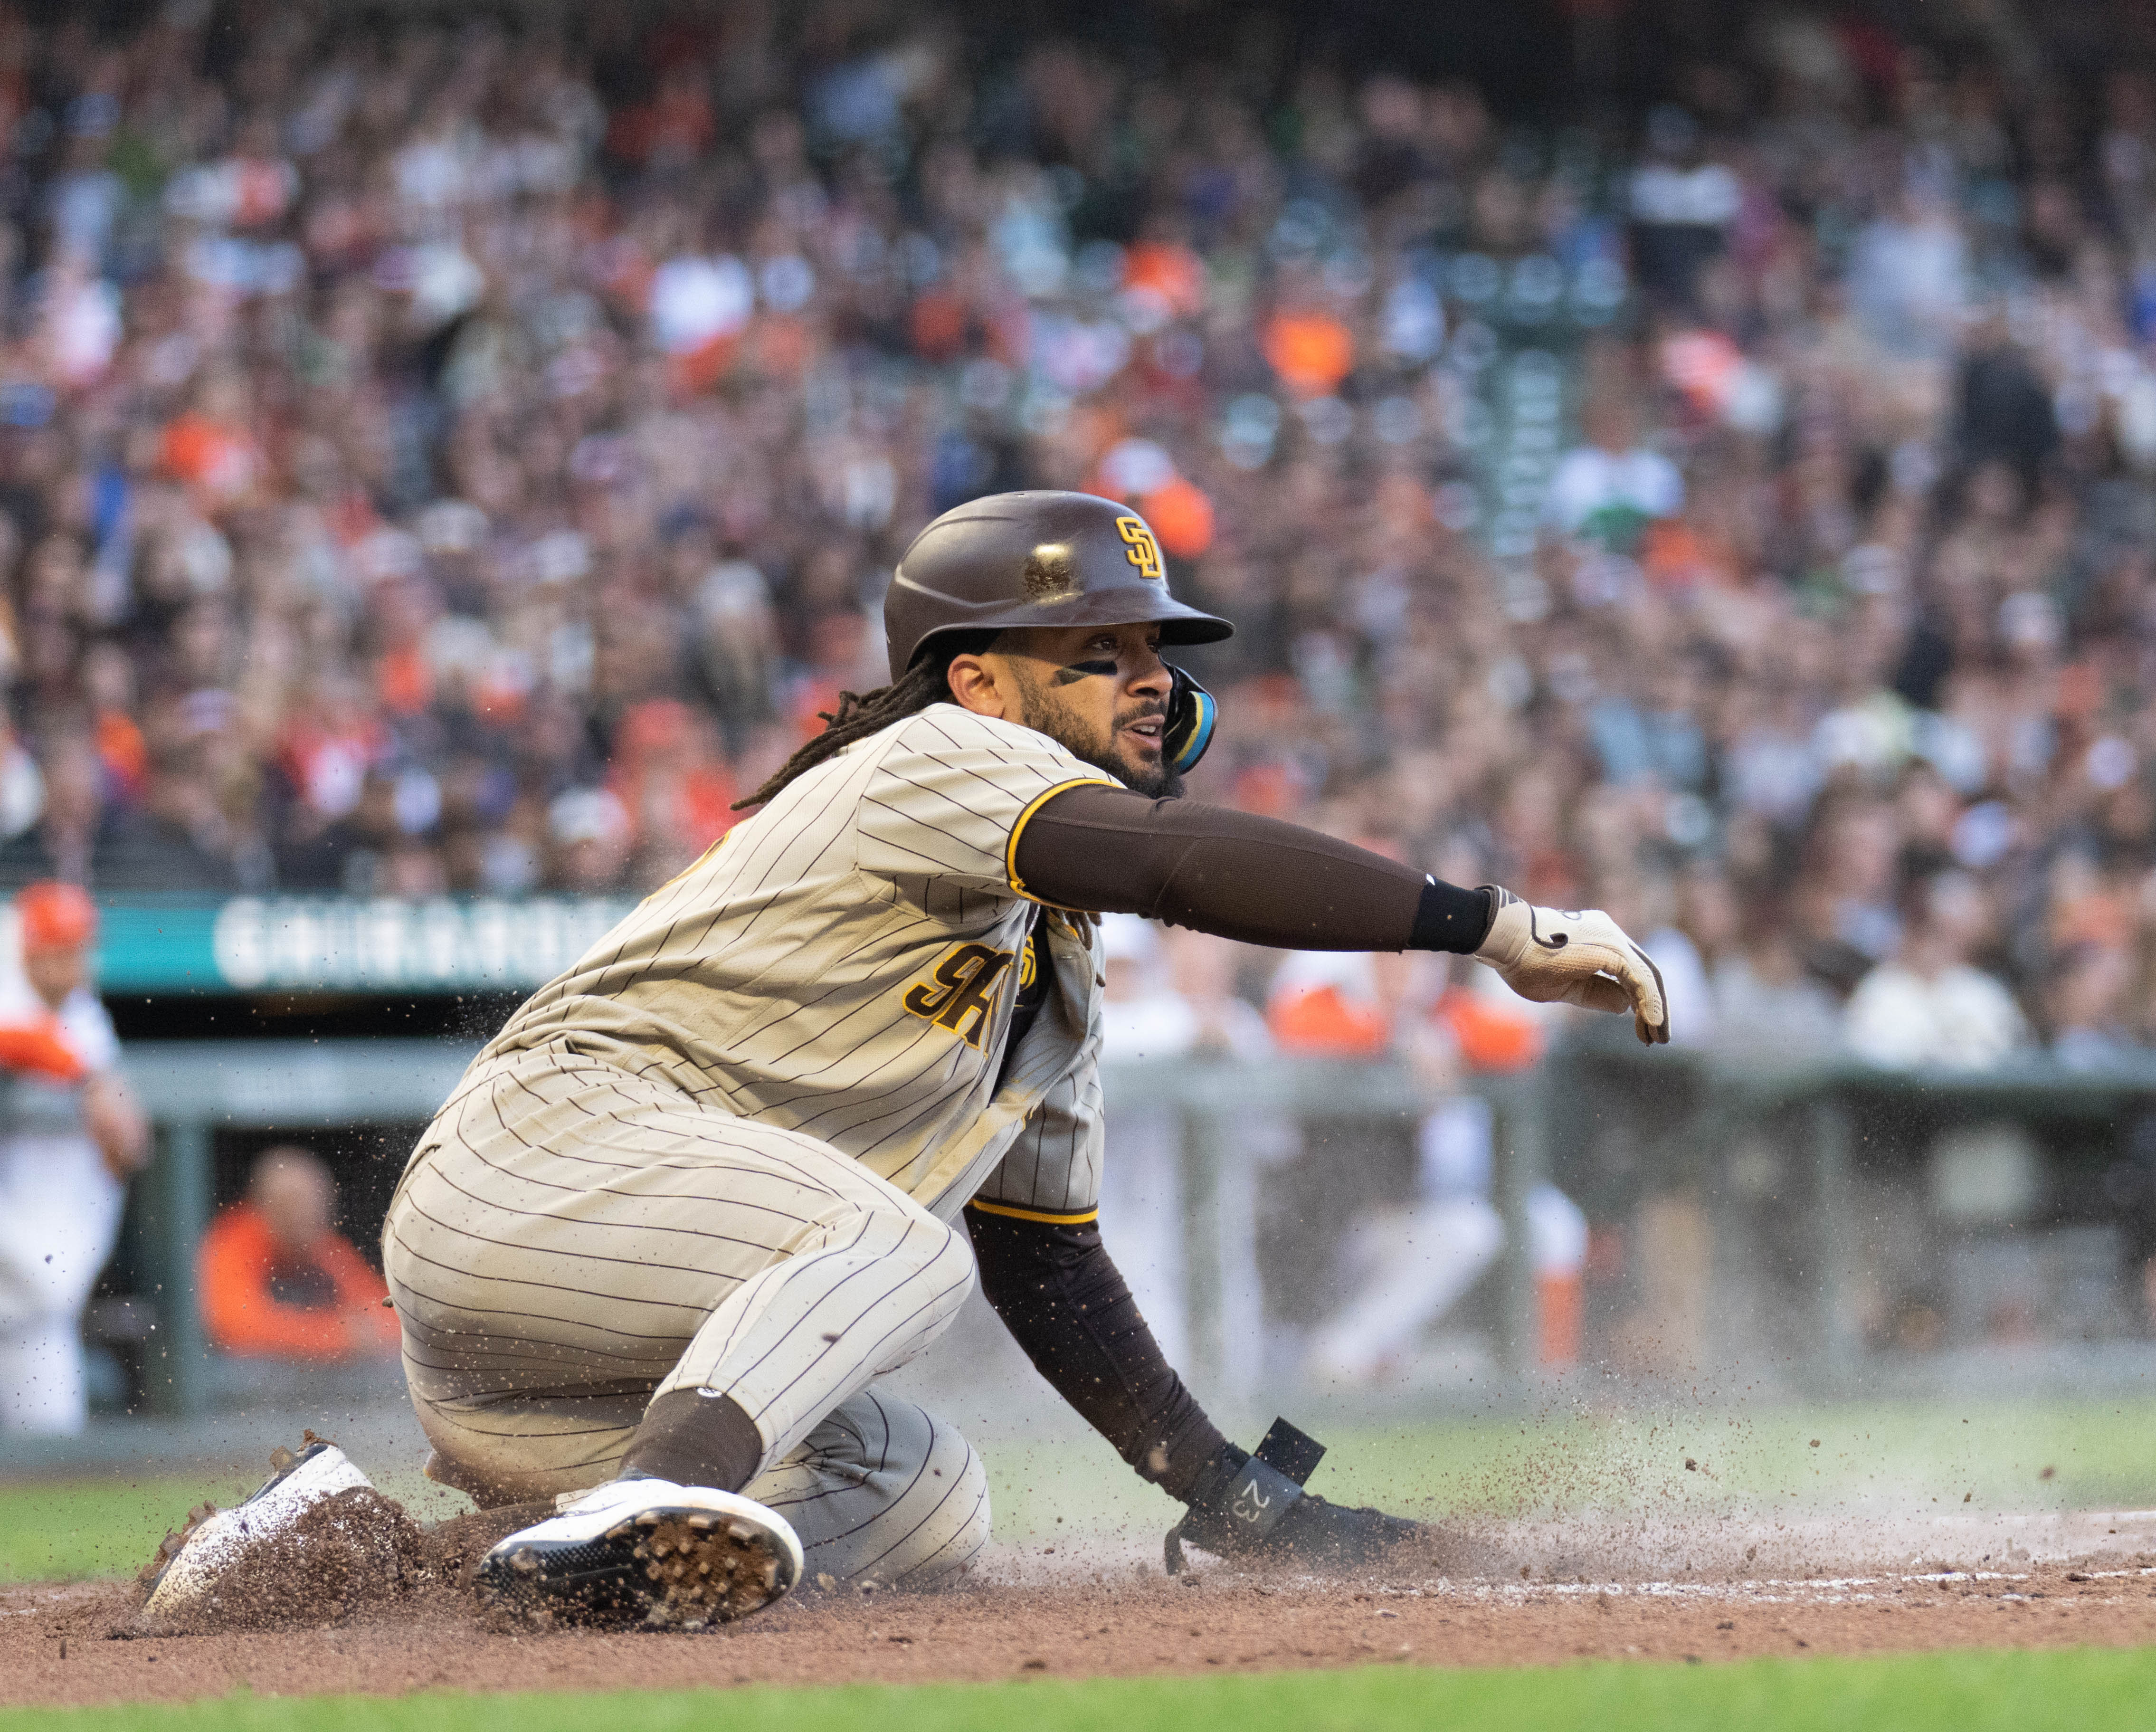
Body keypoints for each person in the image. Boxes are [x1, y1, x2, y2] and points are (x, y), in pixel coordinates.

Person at [145, 492, 1667, 1632]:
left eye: (1153, 651)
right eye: (1093, 651)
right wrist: (1485, 926)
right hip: (539, 1176)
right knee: (888, 1246)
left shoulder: (1052, 964)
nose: (1145, 677)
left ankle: (339, 1547)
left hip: (601, 1352)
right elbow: (1186, 861)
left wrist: (1232, 1498)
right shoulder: (930, 759)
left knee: (925, 1496)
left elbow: (1051, 1267)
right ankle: (652, 1488)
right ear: (980, 684)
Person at [0, 883, 149, 1433]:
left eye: (78, 948)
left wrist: (101, 1082)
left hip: (34, 1291)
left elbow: (118, 1106)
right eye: (57, 949)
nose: (72, 963)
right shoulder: (10, 985)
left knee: (52, 1444)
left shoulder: (82, 1008)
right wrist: (83, 1076)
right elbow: (12, 1038)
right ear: (28, 949)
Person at [199, 1146, 401, 1363]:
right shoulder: (236, 1240)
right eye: (292, 1203)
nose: (304, 1215)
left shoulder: (323, 1245)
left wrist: (356, 1333)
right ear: (264, 1207)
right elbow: (235, 1325)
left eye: (315, 1204)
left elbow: (387, 1314)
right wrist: (336, 1336)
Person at [1841, 872, 2029, 1068]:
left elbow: (2010, 1058)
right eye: (1931, 932)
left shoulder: (1984, 992)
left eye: (1950, 936)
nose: (1935, 948)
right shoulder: (1882, 989)